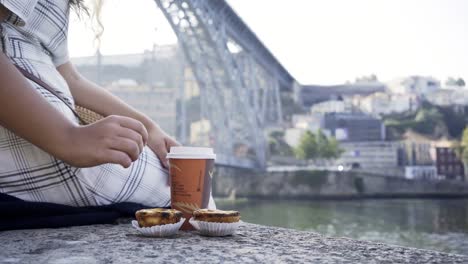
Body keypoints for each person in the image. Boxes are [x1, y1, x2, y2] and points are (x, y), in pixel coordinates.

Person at [0, 0, 188, 208]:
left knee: (189, 190)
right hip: (42, 146)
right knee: (187, 195)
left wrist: (150, 128)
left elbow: (68, 76)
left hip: (49, 139)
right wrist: (69, 139)